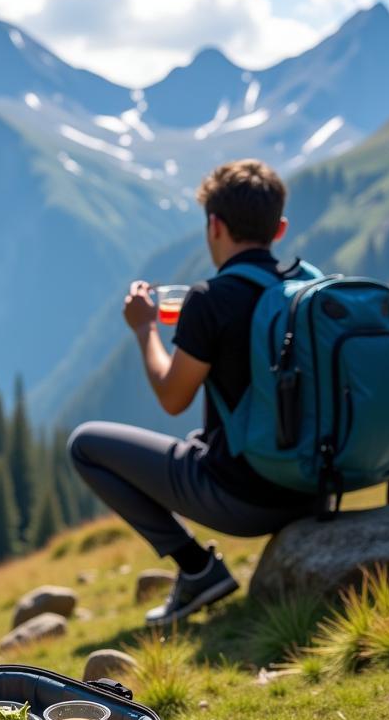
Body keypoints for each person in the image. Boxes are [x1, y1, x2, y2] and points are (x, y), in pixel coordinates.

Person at [68, 159, 317, 627]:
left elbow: (172, 395)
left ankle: (197, 569)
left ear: (214, 225)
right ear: (279, 229)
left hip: (245, 498)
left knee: (84, 445)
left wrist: (144, 330)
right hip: (315, 488)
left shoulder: (211, 298)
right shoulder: (303, 288)